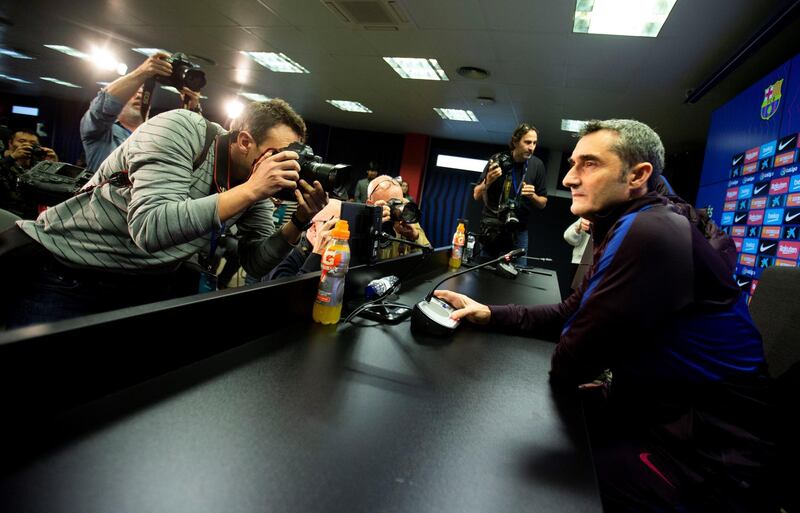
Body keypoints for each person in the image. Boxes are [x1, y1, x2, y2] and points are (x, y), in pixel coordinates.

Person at [436, 119, 773, 512]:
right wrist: (489, 313)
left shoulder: (650, 231)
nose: (568, 178)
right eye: (573, 163)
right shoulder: (631, 222)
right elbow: (570, 313)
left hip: (710, 456)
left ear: (638, 175)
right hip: (664, 413)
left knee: (515, 482)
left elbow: (572, 361)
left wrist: (594, 359)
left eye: (589, 164)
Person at [4, 99, 327, 327]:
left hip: (143, 286)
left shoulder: (253, 183)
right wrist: (251, 190)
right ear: (244, 141)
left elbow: (255, 261)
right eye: (277, 154)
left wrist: (297, 222)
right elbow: (150, 228)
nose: (284, 165)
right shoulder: (181, 129)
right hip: (69, 272)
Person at [265, 177, 429, 280]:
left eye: (398, 202)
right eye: (332, 224)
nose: (396, 209)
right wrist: (317, 254)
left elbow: (426, 262)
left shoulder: (405, 224)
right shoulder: (297, 251)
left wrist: (414, 236)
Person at [80, 52, 202, 172]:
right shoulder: (101, 133)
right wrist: (142, 73)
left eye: (142, 93)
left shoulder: (159, 136)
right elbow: (102, 109)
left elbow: (195, 151)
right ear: (122, 101)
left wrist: (193, 109)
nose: (138, 95)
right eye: (133, 92)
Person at [473, 123, 547, 261]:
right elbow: (476, 194)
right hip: (493, 227)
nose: (531, 147)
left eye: (535, 143)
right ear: (515, 142)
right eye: (527, 142)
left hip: (518, 230)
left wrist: (533, 196)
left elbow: (542, 203)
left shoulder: (537, 165)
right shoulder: (498, 159)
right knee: (484, 272)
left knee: (517, 275)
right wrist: (487, 181)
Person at [0, 128, 58, 217]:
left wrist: (53, 167)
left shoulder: (39, 166)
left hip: (34, 216)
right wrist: (12, 157)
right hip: (6, 214)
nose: (27, 145)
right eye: (22, 141)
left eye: (33, 144)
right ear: (10, 143)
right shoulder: (4, 162)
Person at [563, 217, 591, 290]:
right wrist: (578, 228)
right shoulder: (592, 211)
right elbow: (568, 236)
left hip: (604, 264)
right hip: (580, 262)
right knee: (574, 295)